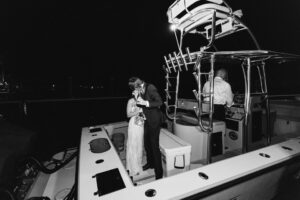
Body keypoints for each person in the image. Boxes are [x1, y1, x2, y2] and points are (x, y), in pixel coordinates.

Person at [128, 77, 164, 180]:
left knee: (154, 146)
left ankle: (159, 173)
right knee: (147, 144)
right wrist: (136, 97)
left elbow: (159, 102)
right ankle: (150, 163)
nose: (135, 90)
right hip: (145, 120)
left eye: (135, 88)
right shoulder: (139, 90)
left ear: (139, 84)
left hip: (154, 120)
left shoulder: (150, 87)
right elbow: (138, 105)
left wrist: (145, 103)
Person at [126, 87, 145, 176]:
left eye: (140, 90)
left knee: (139, 143)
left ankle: (138, 164)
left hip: (140, 123)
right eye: (136, 91)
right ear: (134, 92)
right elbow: (128, 114)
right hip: (133, 124)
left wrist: (143, 113)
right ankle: (132, 167)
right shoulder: (131, 101)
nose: (138, 92)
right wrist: (137, 111)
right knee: (133, 144)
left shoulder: (142, 100)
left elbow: (145, 111)